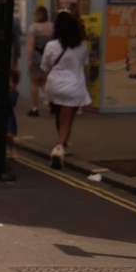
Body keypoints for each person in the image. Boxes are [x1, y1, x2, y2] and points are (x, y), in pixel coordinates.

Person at [42, 9, 90, 169]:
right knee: (67, 121)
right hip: (74, 86)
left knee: (59, 117)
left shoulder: (50, 45)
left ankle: (63, 143)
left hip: (54, 86)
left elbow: (45, 67)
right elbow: (84, 63)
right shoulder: (82, 45)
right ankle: (59, 148)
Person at [26, 6, 53, 117]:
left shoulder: (34, 28)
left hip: (37, 57)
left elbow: (31, 46)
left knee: (34, 83)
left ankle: (34, 108)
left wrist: (29, 60)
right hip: (48, 57)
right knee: (45, 82)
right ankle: (52, 103)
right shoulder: (52, 27)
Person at [8, 67, 20, 159]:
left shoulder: (14, 93)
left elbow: (11, 103)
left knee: (9, 134)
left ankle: (12, 148)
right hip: (1, 115)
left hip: (8, 116)